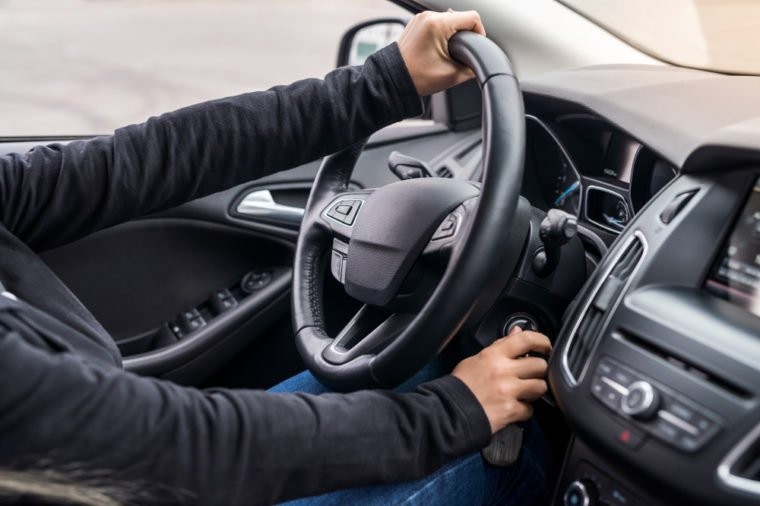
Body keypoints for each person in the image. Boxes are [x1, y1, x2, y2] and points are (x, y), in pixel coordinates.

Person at [0, 9, 552, 506]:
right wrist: (451, 415)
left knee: (429, 378)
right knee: (512, 449)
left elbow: (140, 162)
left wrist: (382, 85)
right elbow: (169, 447)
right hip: (144, 468)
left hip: (126, 459)